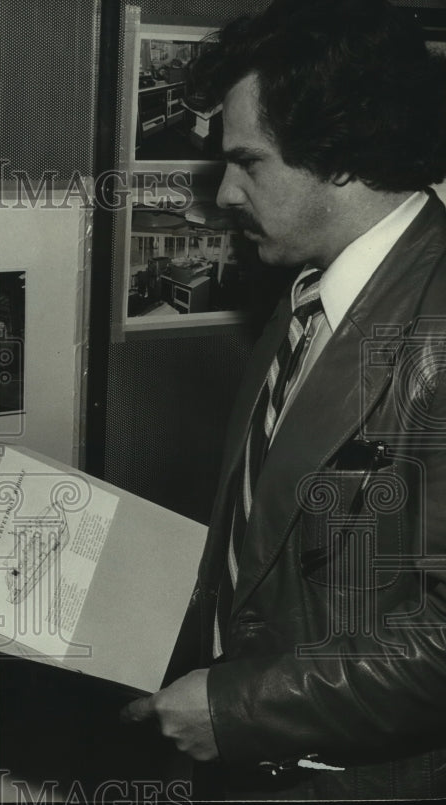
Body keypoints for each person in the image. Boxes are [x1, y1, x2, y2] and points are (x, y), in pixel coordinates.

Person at [121, 0, 446, 800]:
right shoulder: (311, 291)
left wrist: (237, 709)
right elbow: (267, 540)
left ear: (340, 157)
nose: (224, 194)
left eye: (250, 162)